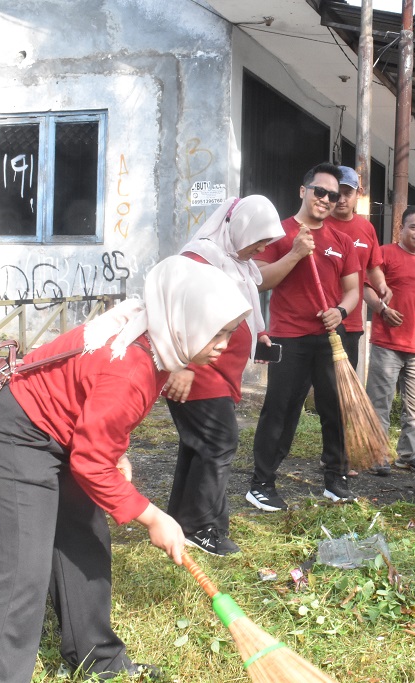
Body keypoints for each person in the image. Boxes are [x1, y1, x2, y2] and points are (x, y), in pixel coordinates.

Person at [0, 256, 251, 682]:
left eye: (229, 332)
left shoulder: (149, 334)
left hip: (59, 433)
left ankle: (98, 660)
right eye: (216, 331)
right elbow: (90, 461)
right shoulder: (134, 364)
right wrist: (153, 517)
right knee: (22, 574)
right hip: (16, 436)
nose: (224, 343)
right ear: (184, 319)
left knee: (86, 541)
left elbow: (93, 403)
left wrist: (116, 451)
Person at [162, 196, 285, 556]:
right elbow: (172, 311)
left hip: (217, 370)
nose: (262, 249)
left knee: (198, 445)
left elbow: (240, 308)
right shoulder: (199, 260)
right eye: (259, 240)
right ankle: (203, 527)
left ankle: (183, 522)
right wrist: (181, 366)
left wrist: (257, 334)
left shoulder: (236, 263)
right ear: (240, 229)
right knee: (219, 442)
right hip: (197, 369)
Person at [246, 163, 360, 512]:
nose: (326, 199)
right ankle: (261, 484)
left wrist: (340, 311)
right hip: (289, 336)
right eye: (319, 191)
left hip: (329, 337)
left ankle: (335, 479)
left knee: (335, 409)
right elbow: (260, 280)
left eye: (334, 195)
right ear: (303, 191)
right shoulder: (279, 234)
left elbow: (353, 290)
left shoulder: (342, 241)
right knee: (281, 409)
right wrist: (295, 253)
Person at [364, 207, 415, 476]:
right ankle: (377, 455)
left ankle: (408, 456)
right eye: (414, 227)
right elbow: (366, 288)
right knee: (380, 402)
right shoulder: (386, 254)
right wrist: (382, 310)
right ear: (402, 228)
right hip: (386, 342)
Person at [326, 165, 390, 368]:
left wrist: (382, 286)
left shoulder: (366, 228)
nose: (342, 199)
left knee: (342, 390)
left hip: (351, 321)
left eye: (348, 193)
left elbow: (373, 268)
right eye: (337, 193)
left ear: (358, 194)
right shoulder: (319, 224)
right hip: (320, 318)